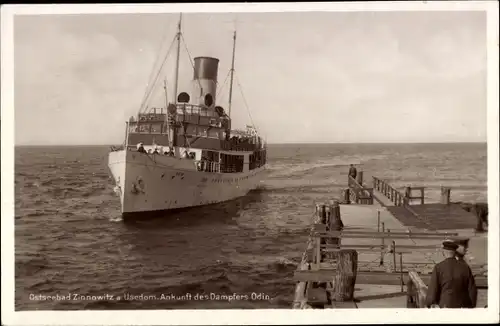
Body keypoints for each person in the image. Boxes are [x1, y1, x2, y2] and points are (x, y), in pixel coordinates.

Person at [425, 240, 477, 308]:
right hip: (461, 307)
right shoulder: (465, 267)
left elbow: (433, 289)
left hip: (444, 306)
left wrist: (429, 303)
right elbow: (472, 290)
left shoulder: (438, 267)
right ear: (455, 253)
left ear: (444, 253)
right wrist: (471, 306)